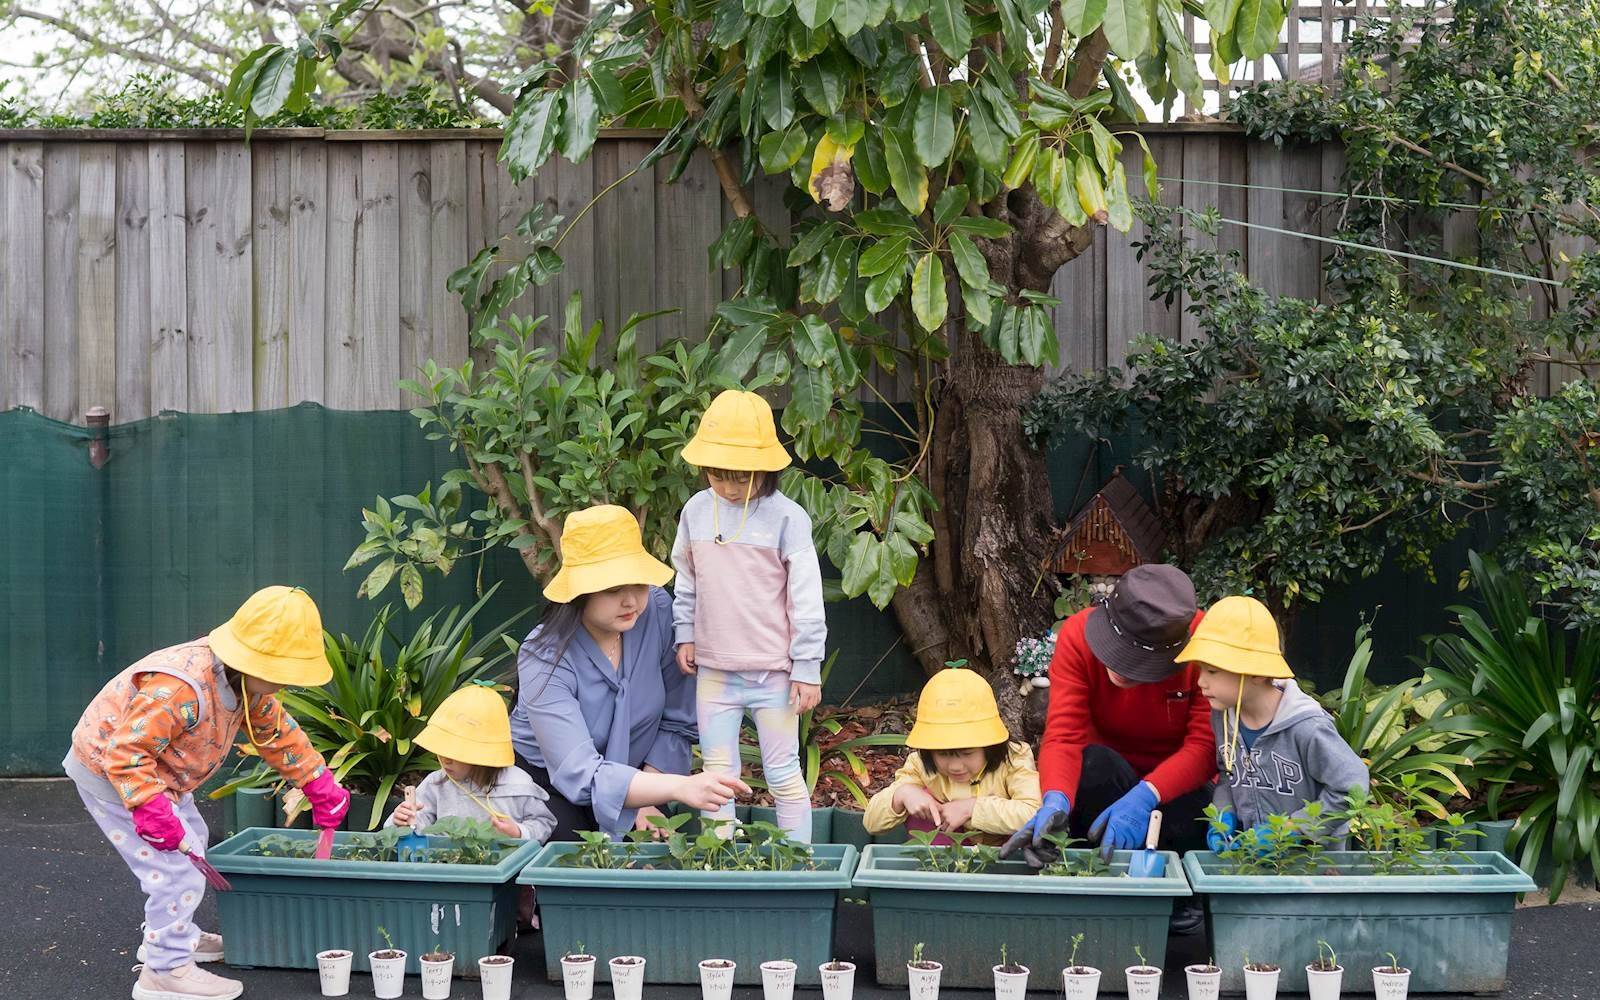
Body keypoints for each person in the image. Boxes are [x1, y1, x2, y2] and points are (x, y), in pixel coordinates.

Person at [65, 586, 351, 1000]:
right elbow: (126, 753)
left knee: (193, 845)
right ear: (252, 658)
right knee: (175, 869)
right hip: (114, 775)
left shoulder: (249, 684)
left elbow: (276, 734)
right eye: (283, 670)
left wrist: (316, 782)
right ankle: (163, 971)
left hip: (160, 774)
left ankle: (173, 935)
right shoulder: (180, 687)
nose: (288, 682)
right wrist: (149, 808)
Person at [511, 504, 749, 841]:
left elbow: (677, 720)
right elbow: (578, 772)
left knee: (654, 850)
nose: (631, 601)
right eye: (612, 589)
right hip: (551, 783)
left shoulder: (657, 612)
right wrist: (675, 787)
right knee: (570, 850)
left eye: (638, 584)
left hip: (643, 776)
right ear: (580, 592)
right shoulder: (544, 655)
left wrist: (651, 797)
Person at [1002, 565, 1214, 931]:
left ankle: (1180, 895)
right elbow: (1065, 736)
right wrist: (1055, 801)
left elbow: (1205, 745)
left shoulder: (1205, 643)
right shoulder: (1077, 636)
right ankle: (1093, 881)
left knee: (1194, 803)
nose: (1120, 668)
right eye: (1116, 652)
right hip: (1107, 777)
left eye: (1138, 663)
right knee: (1093, 765)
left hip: (1178, 785)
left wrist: (1147, 794)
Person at [672, 389, 826, 842]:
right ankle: (721, 865)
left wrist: (807, 666)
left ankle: (800, 867)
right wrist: (685, 633)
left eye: (740, 477)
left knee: (782, 773)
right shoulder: (696, 511)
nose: (728, 487)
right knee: (718, 776)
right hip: (715, 673)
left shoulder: (787, 518)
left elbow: (806, 597)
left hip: (774, 675)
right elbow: (687, 578)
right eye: (718, 476)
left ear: (767, 468)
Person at [1178, 596, 1369, 851]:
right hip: (1255, 863)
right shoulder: (1223, 716)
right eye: (1201, 669)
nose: (1201, 681)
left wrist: (1292, 829)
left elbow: (1352, 785)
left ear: (1256, 672)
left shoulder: (1307, 726)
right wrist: (1222, 814)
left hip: (1315, 870)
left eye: (1212, 671)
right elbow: (1227, 772)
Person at [864, 667, 1041, 846]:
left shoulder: (1014, 757)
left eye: (967, 753)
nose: (956, 766)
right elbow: (871, 823)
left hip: (1006, 858)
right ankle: (937, 868)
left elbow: (1034, 812)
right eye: (943, 754)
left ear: (990, 746)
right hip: (948, 858)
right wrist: (901, 795)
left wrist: (972, 808)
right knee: (920, 797)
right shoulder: (920, 765)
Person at [386, 682, 556, 843]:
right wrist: (404, 821)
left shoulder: (517, 784)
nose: (446, 759)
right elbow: (419, 824)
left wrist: (519, 832)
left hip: (504, 868)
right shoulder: (436, 783)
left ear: (483, 752)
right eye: (442, 748)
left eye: (456, 751)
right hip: (447, 866)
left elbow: (543, 822)